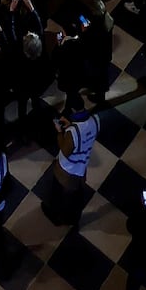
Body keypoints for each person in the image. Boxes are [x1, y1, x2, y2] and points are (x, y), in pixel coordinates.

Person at [47, 95, 99, 229]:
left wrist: (59, 132)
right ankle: (75, 219)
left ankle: (55, 216)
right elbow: (85, 132)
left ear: (72, 110)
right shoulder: (95, 120)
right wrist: (71, 125)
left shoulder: (72, 132)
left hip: (67, 169)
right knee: (77, 195)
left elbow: (65, 150)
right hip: (82, 166)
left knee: (57, 192)